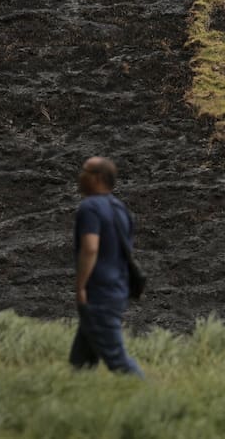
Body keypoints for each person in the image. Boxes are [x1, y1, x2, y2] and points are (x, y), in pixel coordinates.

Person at [70, 156, 143, 376]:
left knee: (117, 360)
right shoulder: (120, 208)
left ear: (97, 178)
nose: (80, 175)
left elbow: (90, 248)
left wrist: (81, 286)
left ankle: (150, 393)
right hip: (117, 289)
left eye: (85, 171)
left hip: (98, 293)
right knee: (80, 361)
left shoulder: (90, 207)